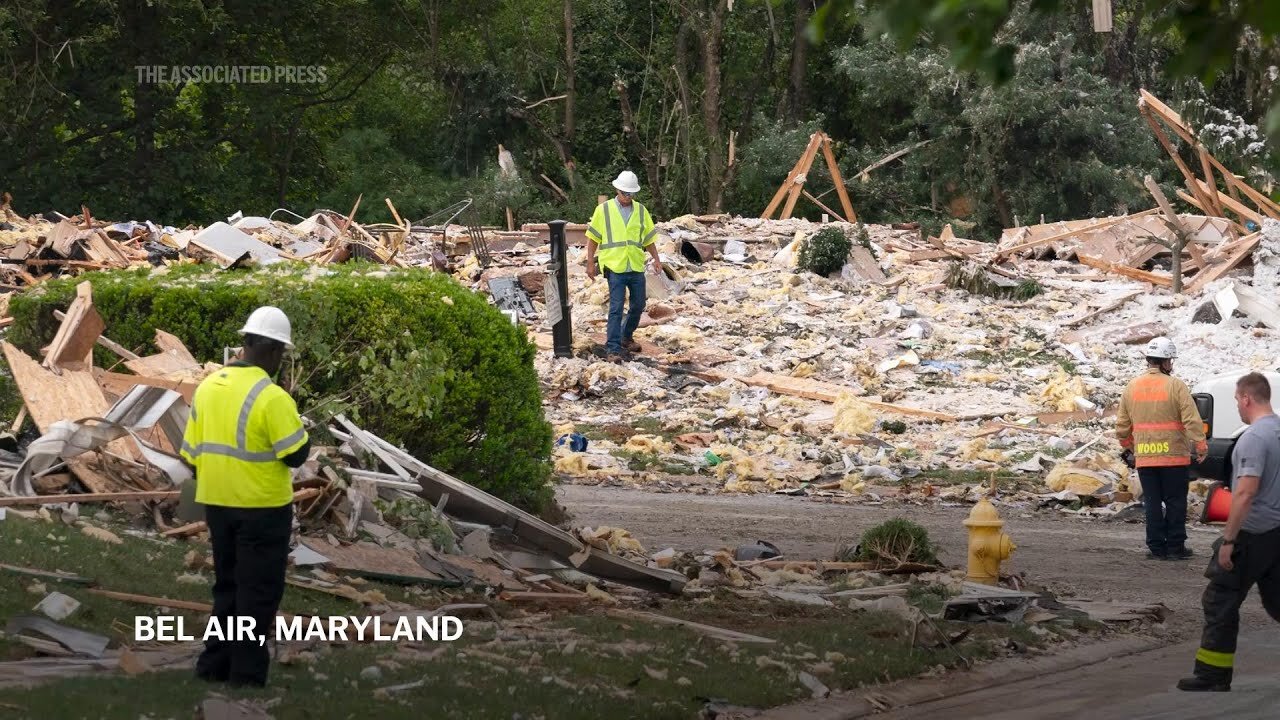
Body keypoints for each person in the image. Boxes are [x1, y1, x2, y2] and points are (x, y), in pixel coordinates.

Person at [180, 306, 310, 687]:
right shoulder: (272, 397)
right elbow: (296, 454)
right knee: (258, 594)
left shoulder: (208, 387)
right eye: (282, 354)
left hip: (218, 505)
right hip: (262, 509)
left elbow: (189, 455)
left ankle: (213, 666)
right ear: (272, 351)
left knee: (228, 586)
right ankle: (246, 675)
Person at [1178, 372, 1280, 692]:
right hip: (1277, 532)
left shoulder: (1253, 438)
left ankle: (1212, 675)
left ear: (1247, 398)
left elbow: (1245, 492)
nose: (1237, 404)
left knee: (1219, 599)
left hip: (1252, 532)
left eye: (1237, 399)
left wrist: (1229, 540)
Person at [1114, 337, 1208, 560]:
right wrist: (1201, 444)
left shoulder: (1132, 387)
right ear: (1166, 362)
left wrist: (1129, 447)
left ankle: (1156, 548)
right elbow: (1191, 419)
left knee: (1152, 503)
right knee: (1175, 502)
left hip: (1146, 457)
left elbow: (1122, 427)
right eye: (1170, 361)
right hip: (1173, 457)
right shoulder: (1176, 386)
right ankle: (1175, 548)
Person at [585, 170, 661, 362]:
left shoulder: (641, 211)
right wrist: (590, 263)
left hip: (635, 266)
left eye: (630, 194)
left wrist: (657, 259)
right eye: (624, 193)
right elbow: (593, 238)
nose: (627, 197)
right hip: (614, 266)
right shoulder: (603, 210)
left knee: (638, 305)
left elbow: (649, 238)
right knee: (616, 308)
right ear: (617, 190)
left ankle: (626, 336)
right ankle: (612, 348)